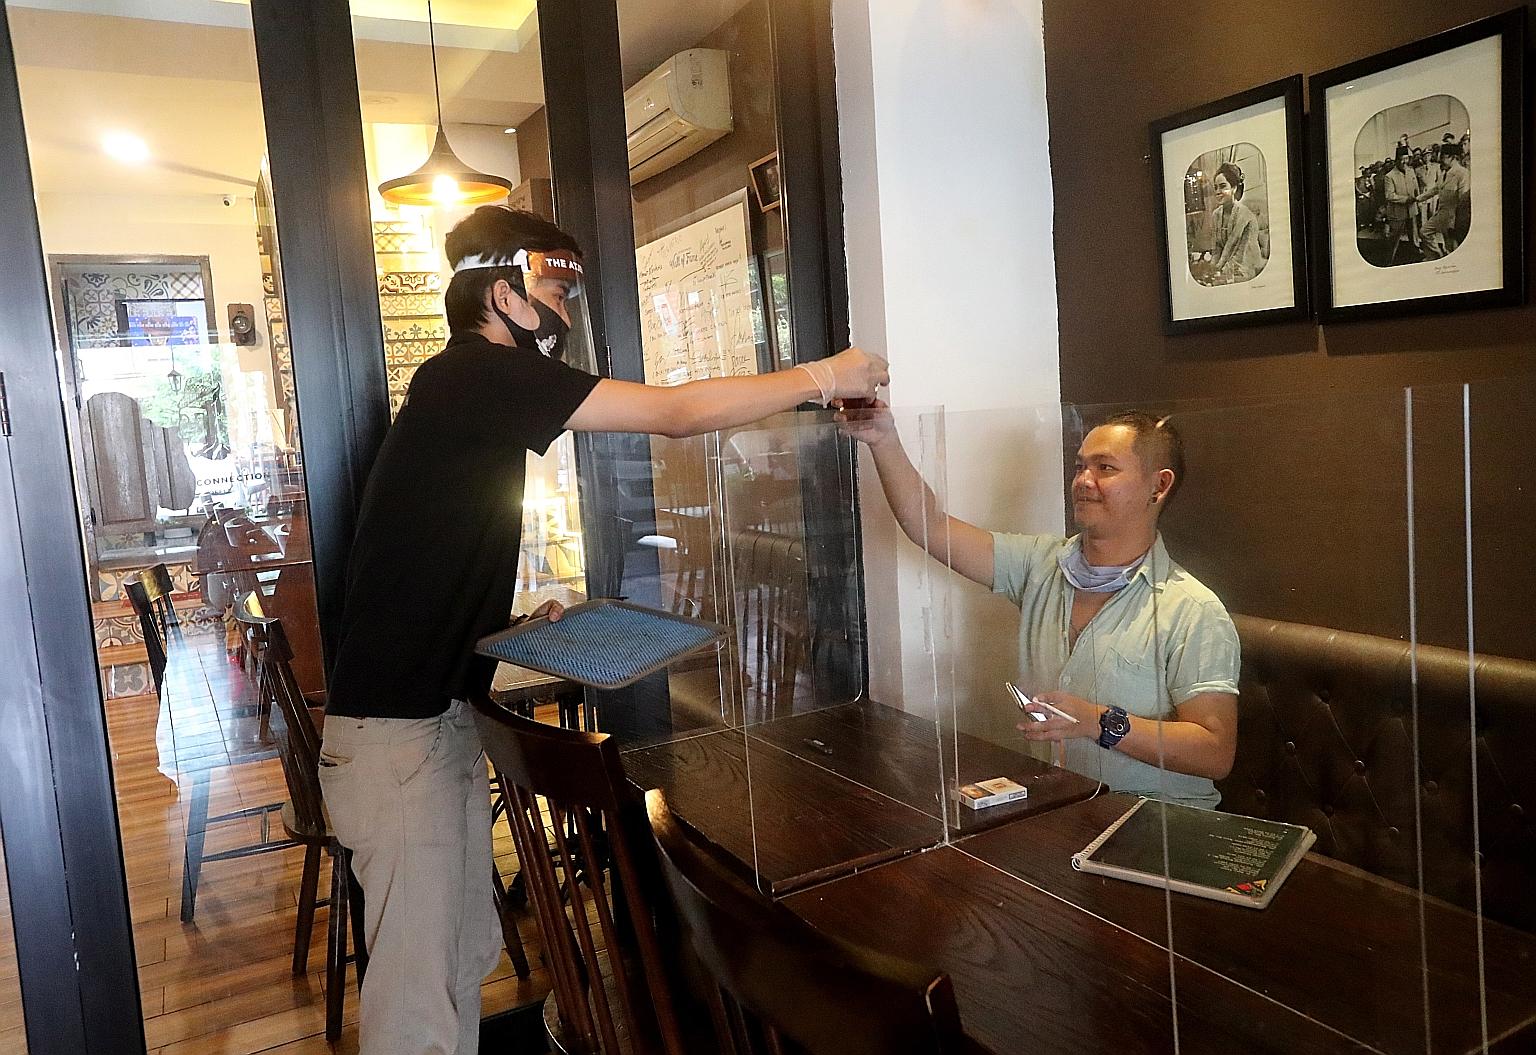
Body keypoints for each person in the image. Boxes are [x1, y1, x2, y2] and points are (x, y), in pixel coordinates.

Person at [319, 205, 889, 1055]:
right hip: (401, 743)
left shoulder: (462, 392)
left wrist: (507, 624)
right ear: (503, 294)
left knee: (452, 967)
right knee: (417, 1008)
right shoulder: (474, 373)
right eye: (552, 285)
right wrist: (826, 372)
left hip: (423, 731)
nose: (563, 309)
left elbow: (415, 567)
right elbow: (676, 414)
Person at [838, 406, 1239, 810]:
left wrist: (1098, 722)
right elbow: (927, 525)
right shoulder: (1040, 565)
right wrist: (883, 438)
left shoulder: (1193, 609)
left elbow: (1215, 752)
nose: (1084, 480)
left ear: (1158, 486)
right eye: (1080, 466)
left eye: (1105, 468)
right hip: (1062, 811)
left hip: (1158, 825)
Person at [1205, 162, 1266, 282]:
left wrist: (1219, 273)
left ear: (1234, 188)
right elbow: (1217, 248)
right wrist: (1211, 269)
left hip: (1246, 265)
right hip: (1226, 266)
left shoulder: (1245, 216)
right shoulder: (1216, 215)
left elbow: (1239, 255)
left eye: (1223, 186)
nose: (1218, 191)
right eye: (1216, 187)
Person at [1416, 141, 1470, 259]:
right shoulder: (1444, 173)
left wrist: (1455, 223)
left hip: (1454, 216)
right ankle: (1437, 255)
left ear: (1452, 157)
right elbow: (1435, 189)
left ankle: (1447, 260)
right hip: (1441, 214)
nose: (1440, 160)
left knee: (1452, 247)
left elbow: (1463, 201)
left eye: (1443, 157)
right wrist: (1417, 199)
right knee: (1424, 232)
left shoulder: (1462, 174)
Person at [1382, 152, 1418, 265]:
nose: (1404, 162)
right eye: (1402, 159)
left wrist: (1418, 201)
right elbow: (1389, 195)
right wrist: (1406, 199)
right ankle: (1389, 261)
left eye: (1406, 159)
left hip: (1411, 210)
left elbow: (1416, 187)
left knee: (1414, 236)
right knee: (1394, 239)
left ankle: (1416, 254)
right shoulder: (1389, 176)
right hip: (1397, 213)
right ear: (1396, 160)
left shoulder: (1411, 171)